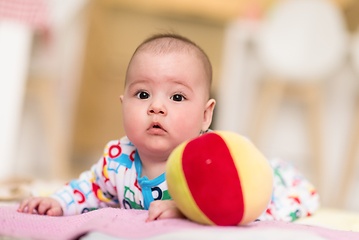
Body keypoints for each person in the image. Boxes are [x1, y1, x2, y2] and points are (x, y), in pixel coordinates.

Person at [18, 33, 319, 222]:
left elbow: (237, 210)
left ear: (205, 115)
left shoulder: (210, 160)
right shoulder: (117, 159)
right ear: (123, 103)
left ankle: (279, 171)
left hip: (263, 184)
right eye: (143, 94)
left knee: (279, 200)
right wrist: (57, 201)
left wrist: (185, 209)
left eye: (176, 97)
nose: (156, 107)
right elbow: (90, 189)